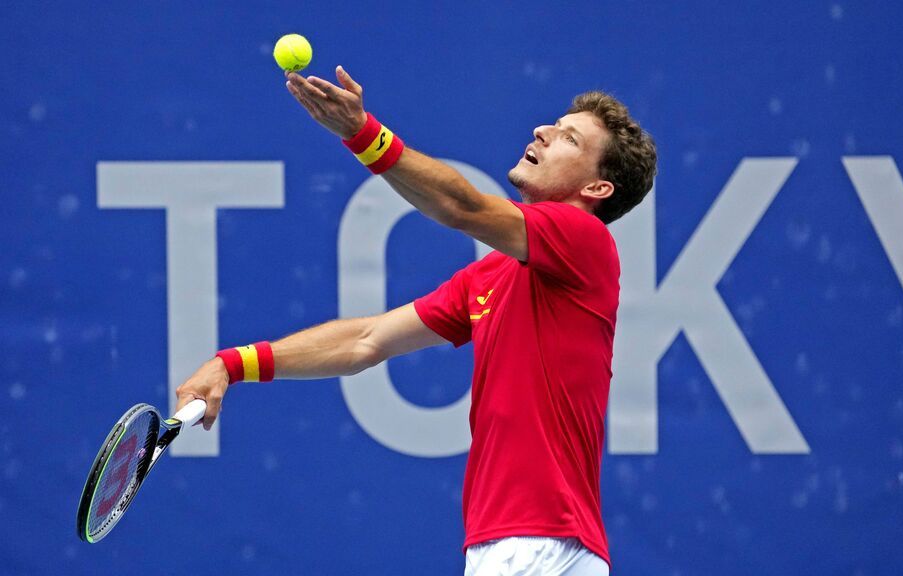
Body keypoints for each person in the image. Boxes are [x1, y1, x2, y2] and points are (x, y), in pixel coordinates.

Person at [175, 64, 657, 576]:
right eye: (553, 124)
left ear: (597, 190)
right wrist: (234, 364)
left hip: (539, 541)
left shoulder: (584, 240)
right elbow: (366, 340)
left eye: (569, 139)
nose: (542, 130)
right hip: (526, 544)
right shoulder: (490, 275)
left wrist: (363, 135)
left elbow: (461, 207)